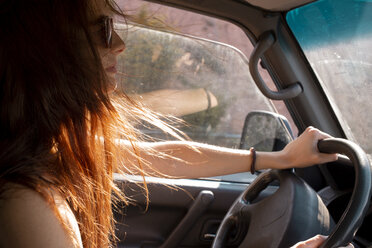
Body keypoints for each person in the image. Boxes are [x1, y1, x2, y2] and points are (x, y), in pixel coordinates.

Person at [0, 1, 351, 248]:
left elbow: (163, 157)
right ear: (42, 50)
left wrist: (278, 160)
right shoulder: (24, 205)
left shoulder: (54, 149)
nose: (119, 45)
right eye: (102, 30)